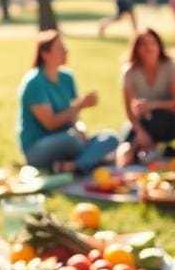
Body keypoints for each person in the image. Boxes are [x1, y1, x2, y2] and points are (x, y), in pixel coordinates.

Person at [17, 30, 119, 174]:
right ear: (45, 54)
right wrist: (81, 105)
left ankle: (71, 166)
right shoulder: (35, 82)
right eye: (60, 48)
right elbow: (50, 124)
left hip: (68, 141)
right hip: (38, 148)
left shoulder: (67, 77)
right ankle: (92, 160)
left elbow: (74, 117)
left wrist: (81, 128)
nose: (66, 51)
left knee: (110, 137)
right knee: (72, 141)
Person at [115, 29, 175, 166]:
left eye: (153, 43)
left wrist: (152, 105)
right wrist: (140, 131)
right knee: (129, 137)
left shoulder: (170, 67)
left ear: (159, 46)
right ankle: (144, 151)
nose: (149, 48)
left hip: (169, 120)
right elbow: (129, 111)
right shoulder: (129, 72)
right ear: (136, 49)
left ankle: (139, 149)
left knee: (159, 117)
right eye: (143, 44)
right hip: (142, 121)